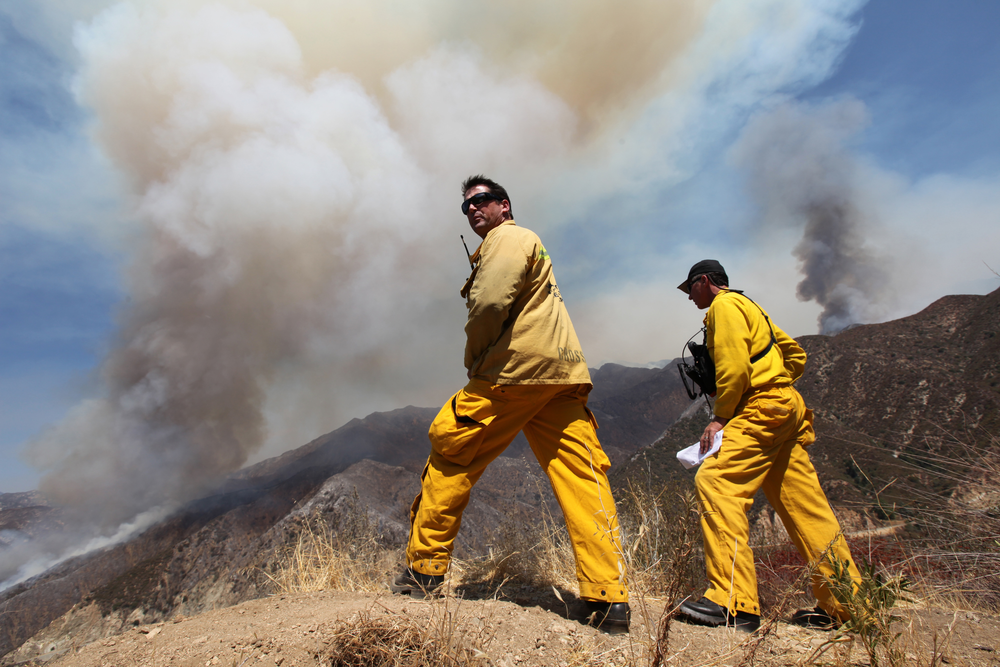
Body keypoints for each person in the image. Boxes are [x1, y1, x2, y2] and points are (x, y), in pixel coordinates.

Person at [389, 175, 630, 629]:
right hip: (561, 377)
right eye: (466, 207)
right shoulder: (529, 243)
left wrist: (475, 359)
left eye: (480, 201)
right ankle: (608, 598)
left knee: (450, 452)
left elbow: (488, 303)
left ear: (504, 205)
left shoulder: (508, 237)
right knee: (582, 477)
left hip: (512, 374)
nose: (473, 211)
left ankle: (424, 571)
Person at [675, 259, 862, 632]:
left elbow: (733, 367)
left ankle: (734, 603)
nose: (689, 296)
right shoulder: (751, 306)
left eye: (690, 288)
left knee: (715, 482)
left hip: (760, 407)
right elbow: (795, 354)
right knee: (805, 506)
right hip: (785, 407)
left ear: (706, 282)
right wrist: (777, 382)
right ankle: (849, 605)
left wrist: (722, 416)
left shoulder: (724, 306)